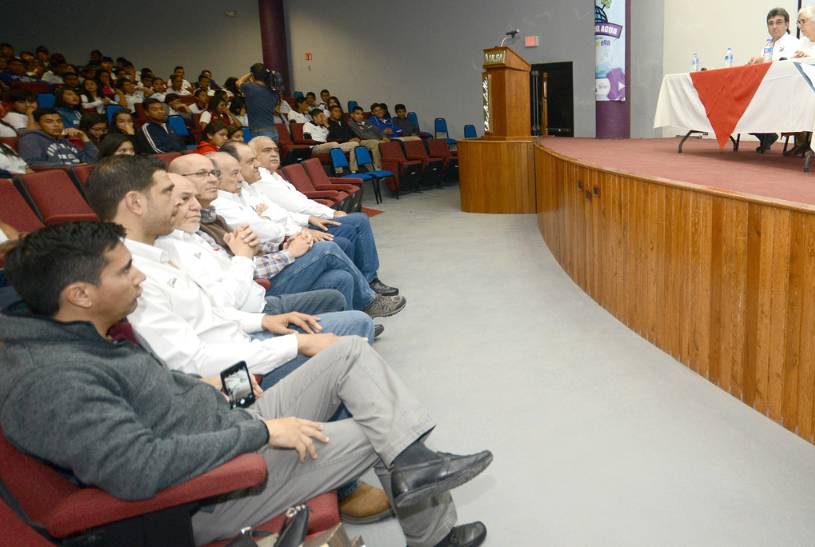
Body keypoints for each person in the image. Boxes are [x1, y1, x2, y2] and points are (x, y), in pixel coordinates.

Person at [0, 221, 492, 547]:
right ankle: (433, 529)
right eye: (126, 270)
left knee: (349, 353)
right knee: (377, 430)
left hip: (223, 425)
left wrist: (223, 387)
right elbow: (137, 471)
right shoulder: (52, 379)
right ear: (80, 293)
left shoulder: (91, 332)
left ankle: (416, 471)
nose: (140, 280)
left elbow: (164, 391)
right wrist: (260, 433)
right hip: (206, 490)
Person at [83, 155, 374, 385]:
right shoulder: (129, 272)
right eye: (171, 193)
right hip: (235, 371)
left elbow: (211, 313)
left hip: (243, 337)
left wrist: (262, 322)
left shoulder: (154, 251)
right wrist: (291, 342)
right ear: (135, 202)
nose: (180, 203)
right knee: (354, 329)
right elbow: (192, 365)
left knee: (348, 317)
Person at [205, 151, 402, 316]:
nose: (242, 176)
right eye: (236, 172)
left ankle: (360, 315)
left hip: (279, 247)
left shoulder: (238, 194)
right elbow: (264, 232)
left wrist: (289, 235)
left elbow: (271, 223)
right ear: (215, 177)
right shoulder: (221, 205)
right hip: (259, 284)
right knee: (329, 249)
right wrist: (290, 246)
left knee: (341, 276)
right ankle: (368, 300)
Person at [247, 136, 398, 297]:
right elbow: (298, 207)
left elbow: (299, 202)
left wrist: (316, 217)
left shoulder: (274, 175)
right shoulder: (261, 178)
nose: (274, 154)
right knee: (356, 224)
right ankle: (367, 281)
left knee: (356, 223)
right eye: (267, 150)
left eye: (276, 150)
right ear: (253, 157)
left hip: (301, 223)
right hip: (294, 232)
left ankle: (365, 280)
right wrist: (330, 213)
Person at [748, 7, 803, 153]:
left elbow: (789, 65)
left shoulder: (794, 43)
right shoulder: (767, 45)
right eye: (770, 23)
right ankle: (765, 134)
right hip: (768, 89)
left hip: (787, 91)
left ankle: (768, 134)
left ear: (787, 24)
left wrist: (767, 60)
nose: (774, 26)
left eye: (778, 22)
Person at [18, 107, 98, 166]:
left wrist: (85, 138)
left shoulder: (65, 141)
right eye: (49, 122)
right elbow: (32, 163)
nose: (56, 125)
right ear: (38, 125)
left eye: (59, 121)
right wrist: (69, 167)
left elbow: (92, 160)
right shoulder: (30, 139)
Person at [238, 63, 280, 141]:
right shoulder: (274, 91)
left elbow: (238, 82)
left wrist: (250, 73)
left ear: (253, 75)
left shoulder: (250, 87)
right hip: (273, 132)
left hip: (260, 134)